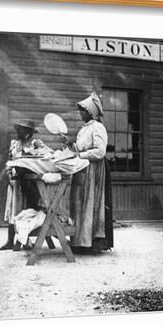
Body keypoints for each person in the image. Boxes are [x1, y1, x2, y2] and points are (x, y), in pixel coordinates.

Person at [64, 92, 114, 253]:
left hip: (94, 171)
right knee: (79, 204)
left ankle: (91, 243)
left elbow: (100, 152)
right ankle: (79, 241)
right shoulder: (83, 130)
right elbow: (80, 149)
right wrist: (70, 144)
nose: (80, 114)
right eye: (79, 111)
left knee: (90, 204)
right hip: (82, 169)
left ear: (90, 112)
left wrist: (81, 155)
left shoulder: (98, 128)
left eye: (82, 111)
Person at [0, 120, 51, 250]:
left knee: (27, 211)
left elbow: (48, 154)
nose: (18, 132)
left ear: (29, 132)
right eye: (18, 129)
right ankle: (10, 241)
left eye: (22, 130)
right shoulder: (14, 144)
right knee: (13, 210)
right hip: (15, 181)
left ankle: (24, 240)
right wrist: (9, 175)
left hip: (30, 183)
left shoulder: (35, 143)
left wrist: (35, 153)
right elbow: (9, 161)